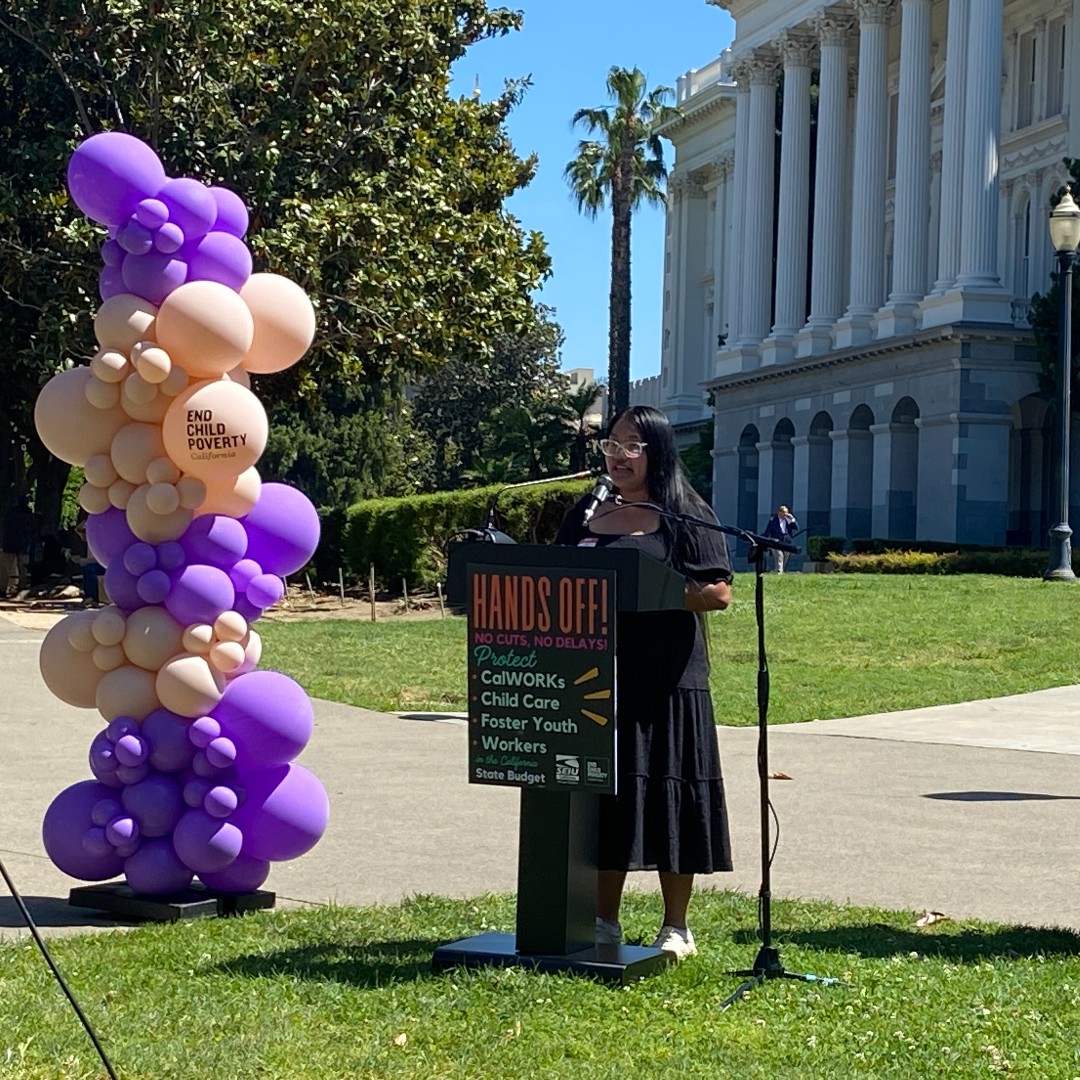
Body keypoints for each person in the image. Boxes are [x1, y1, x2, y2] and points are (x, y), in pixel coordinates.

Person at [555, 405, 734, 960]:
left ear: (658, 451)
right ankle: (603, 919)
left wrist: (644, 592)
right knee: (610, 798)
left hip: (670, 679)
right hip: (597, 678)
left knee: (670, 794)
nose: (618, 455)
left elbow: (718, 592)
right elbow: (554, 576)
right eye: (612, 444)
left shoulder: (686, 514)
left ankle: (675, 925)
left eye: (632, 445)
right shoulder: (584, 514)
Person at [1, 496, 34, 599]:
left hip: (10, 543)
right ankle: (21, 587)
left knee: (6, 568)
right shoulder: (29, 515)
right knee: (22, 567)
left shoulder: (11, 514)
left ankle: (4, 588)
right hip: (23, 544)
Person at [70, 518, 105, 607]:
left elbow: (100, 560)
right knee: (87, 569)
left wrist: (84, 561)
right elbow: (77, 530)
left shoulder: (100, 541)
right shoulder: (89, 540)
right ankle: (89, 596)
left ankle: (93, 597)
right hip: (93, 563)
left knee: (90, 569)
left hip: (103, 565)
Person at [763, 504, 799, 573]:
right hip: (776, 542)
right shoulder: (773, 520)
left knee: (786, 556)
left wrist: (792, 519)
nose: (785, 514)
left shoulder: (788, 520)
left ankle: (778, 570)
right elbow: (768, 531)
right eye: (784, 512)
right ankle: (779, 571)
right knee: (779, 555)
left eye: (786, 512)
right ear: (779, 512)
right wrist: (766, 541)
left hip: (786, 542)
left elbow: (796, 528)